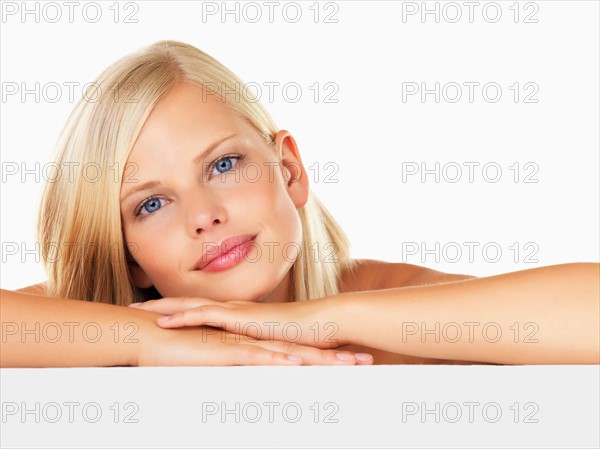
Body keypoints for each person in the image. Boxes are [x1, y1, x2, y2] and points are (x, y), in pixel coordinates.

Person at [2, 40, 598, 367]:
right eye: (151, 204)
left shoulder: (389, 298)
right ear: (128, 257)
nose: (203, 215)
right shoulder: (97, 321)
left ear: (289, 170)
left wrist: (312, 321)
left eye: (223, 165)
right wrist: (143, 341)